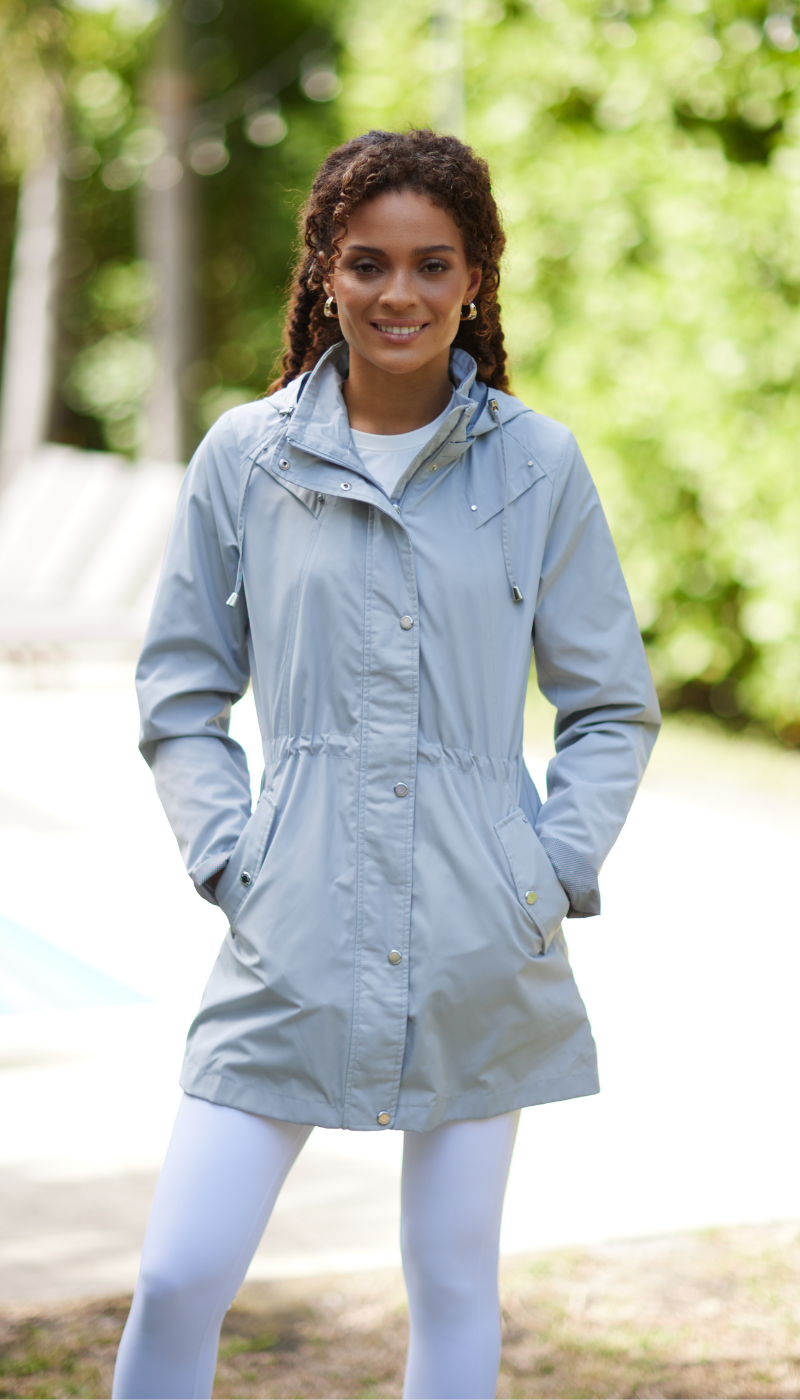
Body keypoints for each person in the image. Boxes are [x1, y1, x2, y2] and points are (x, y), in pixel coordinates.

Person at [114, 128, 660, 1400]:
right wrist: (230, 853)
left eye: (431, 264)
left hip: (481, 932)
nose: (397, 293)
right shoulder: (244, 457)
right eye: (367, 262)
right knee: (179, 1273)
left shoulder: (536, 465)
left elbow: (608, 705)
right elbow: (181, 688)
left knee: (452, 1276)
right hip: (290, 927)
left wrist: (543, 871)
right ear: (324, 270)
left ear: (475, 277)